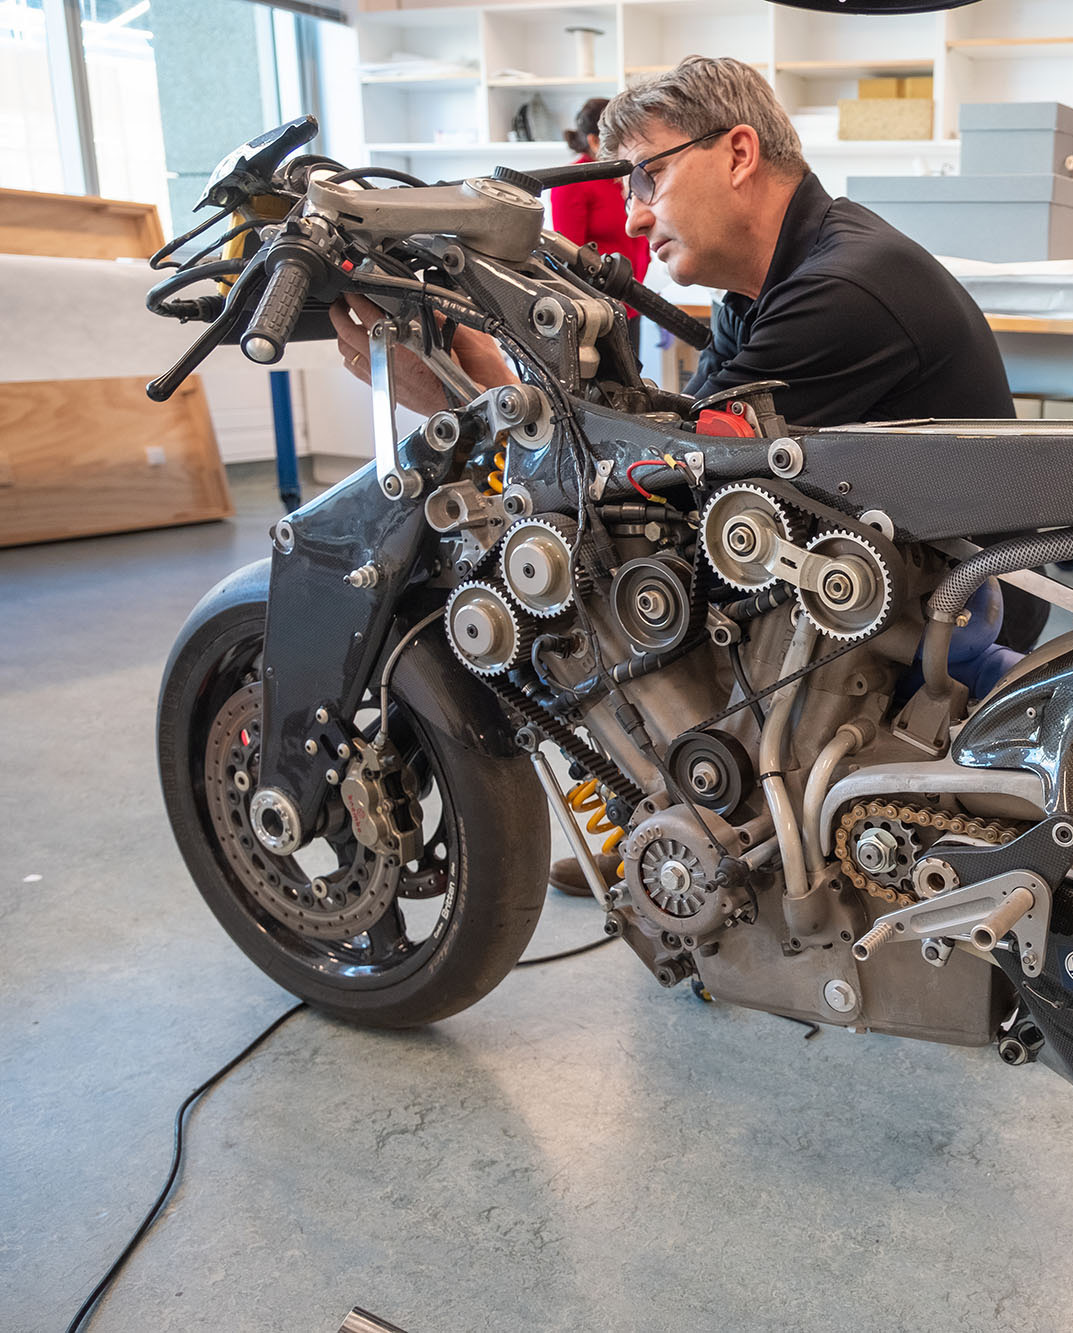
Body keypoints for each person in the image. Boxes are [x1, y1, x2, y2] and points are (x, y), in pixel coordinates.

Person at [333, 56, 1027, 899]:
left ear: (738, 153)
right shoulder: (764, 288)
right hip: (879, 589)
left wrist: (477, 387)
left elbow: (656, 483)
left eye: (649, 174)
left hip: (934, 629)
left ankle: (689, 807)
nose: (633, 214)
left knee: (589, 574)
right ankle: (656, 806)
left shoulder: (844, 288)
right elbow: (677, 446)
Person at [552, 97, 649, 365]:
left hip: (632, 303)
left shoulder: (624, 177)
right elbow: (570, 256)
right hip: (600, 313)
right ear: (595, 141)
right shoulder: (572, 182)